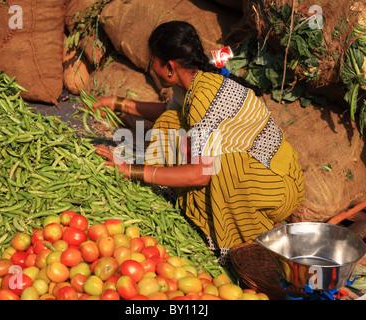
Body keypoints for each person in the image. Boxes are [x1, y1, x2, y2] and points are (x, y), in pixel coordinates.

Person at [93, 21, 305, 265]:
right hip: (259, 175)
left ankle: (243, 250)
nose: (151, 67)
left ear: (170, 66)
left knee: (222, 166)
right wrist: (117, 102)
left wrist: (131, 170)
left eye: (153, 61)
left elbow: (200, 174)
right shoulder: (192, 82)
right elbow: (166, 110)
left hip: (275, 185)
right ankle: (185, 199)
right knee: (170, 121)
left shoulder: (205, 96)